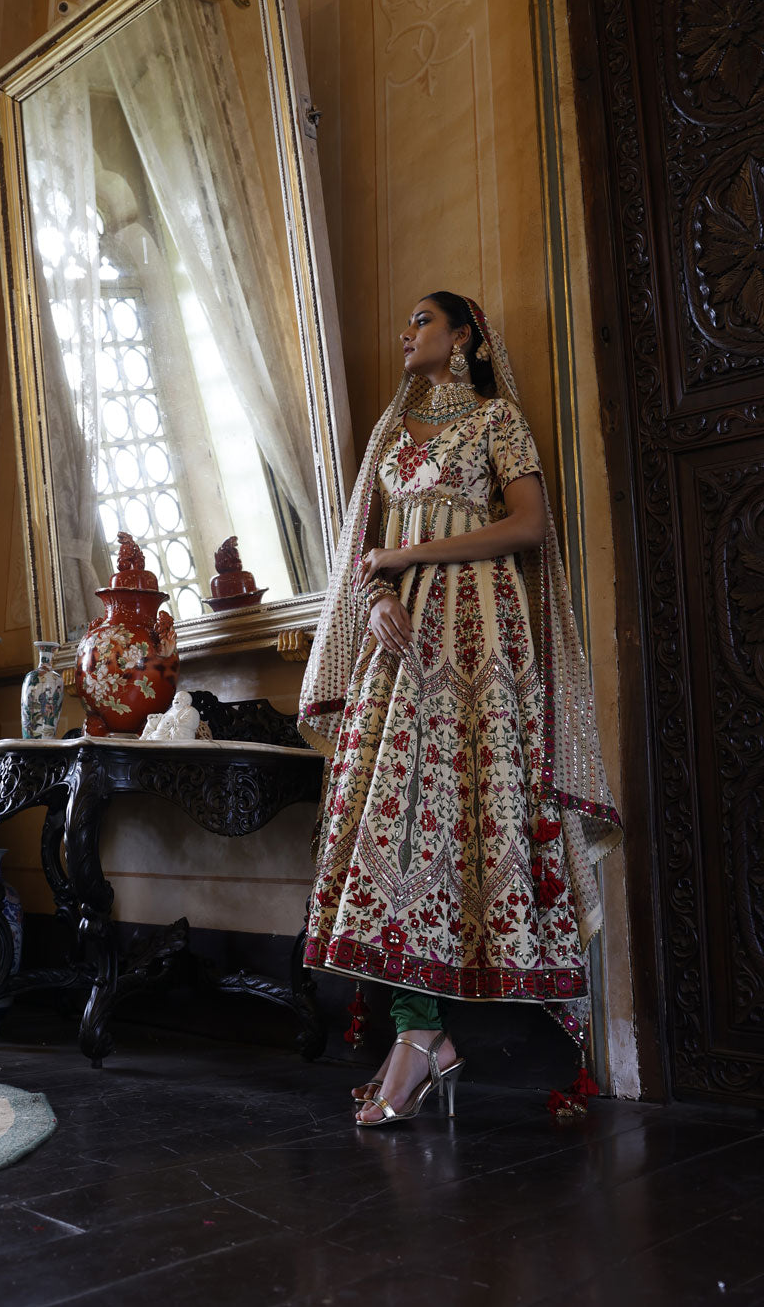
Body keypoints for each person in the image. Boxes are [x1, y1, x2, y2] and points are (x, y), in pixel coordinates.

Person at [298, 292, 622, 1126]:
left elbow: (528, 526)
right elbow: (367, 554)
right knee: (387, 828)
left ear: (465, 337)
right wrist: (378, 593)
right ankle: (420, 1033)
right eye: (407, 323)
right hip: (399, 642)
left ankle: (424, 1041)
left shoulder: (495, 420)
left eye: (423, 322)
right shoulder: (391, 436)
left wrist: (412, 554)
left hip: (479, 636)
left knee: (462, 821)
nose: (406, 333)